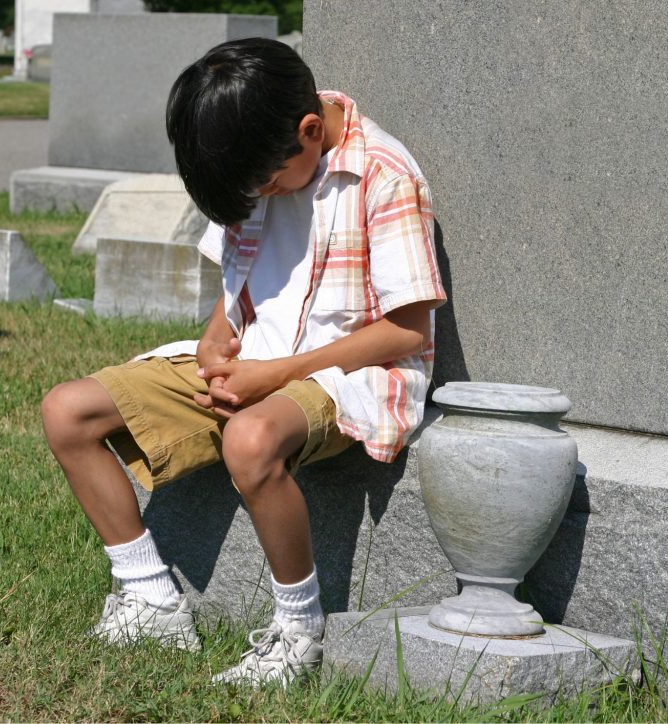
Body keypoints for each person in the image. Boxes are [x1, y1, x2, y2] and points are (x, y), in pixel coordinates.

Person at [40, 37, 446, 687]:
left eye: (267, 185)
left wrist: (272, 376)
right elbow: (237, 286)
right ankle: (148, 597)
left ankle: (298, 633)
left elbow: (405, 331)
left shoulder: (384, 175)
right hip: (256, 359)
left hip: (346, 377)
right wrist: (213, 341)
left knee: (251, 440)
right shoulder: (251, 154)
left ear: (310, 133)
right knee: (68, 411)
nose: (263, 196)